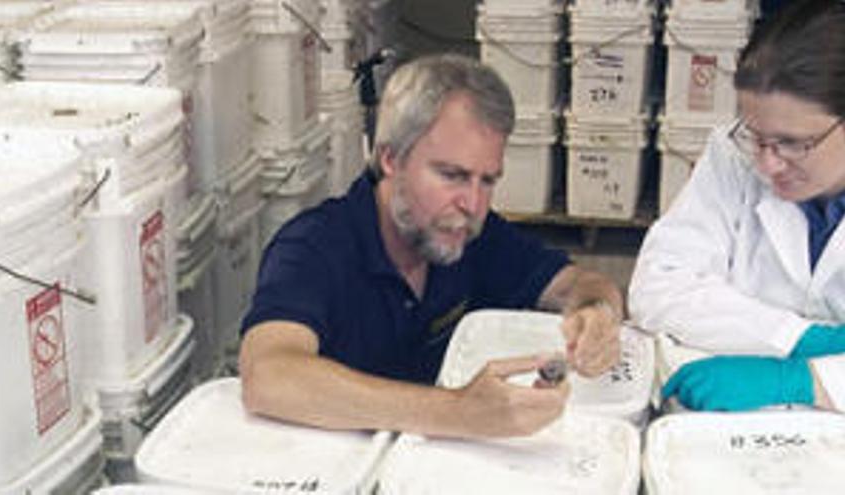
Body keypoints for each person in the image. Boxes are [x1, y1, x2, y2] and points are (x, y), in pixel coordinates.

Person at [239, 54, 624, 439]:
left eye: (487, 180)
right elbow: (269, 375)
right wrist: (458, 412)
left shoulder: (473, 235)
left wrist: (598, 315)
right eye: (452, 175)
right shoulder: (314, 247)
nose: (473, 204)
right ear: (391, 158)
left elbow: (577, 283)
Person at [629, 0, 845, 412]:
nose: (767, 162)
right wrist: (797, 338)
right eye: (757, 135)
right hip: (732, 429)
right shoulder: (733, 155)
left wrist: (805, 381)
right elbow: (660, 285)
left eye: (793, 143)